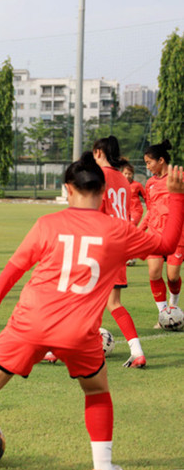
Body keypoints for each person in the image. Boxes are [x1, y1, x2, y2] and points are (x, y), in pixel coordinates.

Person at [0, 152, 184, 470]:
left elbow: (14, 268)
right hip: (80, 331)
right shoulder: (117, 231)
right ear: (104, 192)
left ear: (68, 189)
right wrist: (176, 197)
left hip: (30, 322)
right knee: (96, 391)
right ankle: (103, 465)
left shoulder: (48, 224)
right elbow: (165, 243)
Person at [90, 136, 146, 367]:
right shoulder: (124, 179)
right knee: (113, 302)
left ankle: (54, 350)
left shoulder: (98, 177)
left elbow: (95, 211)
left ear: (99, 152)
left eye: (94, 153)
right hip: (120, 246)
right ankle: (137, 351)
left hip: (101, 246)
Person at [139, 140, 182, 314]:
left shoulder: (179, 178)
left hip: (177, 235)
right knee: (154, 273)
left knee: (172, 277)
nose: (147, 166)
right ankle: (164, 314)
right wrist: (139, 231)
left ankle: (173, 306)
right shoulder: (149, 184)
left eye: (149, 162)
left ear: (161, 160)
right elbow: (150, 210)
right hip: (155, 235)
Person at [119, 160, 146, 227]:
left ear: (132, 174)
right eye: (125, 173)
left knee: (131, 226)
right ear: (121, 173)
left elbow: (146, 198)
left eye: (129, 174)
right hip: (124, 212)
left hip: (136, 211)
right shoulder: (119, 186)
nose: (127, 175)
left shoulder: (137, 185)